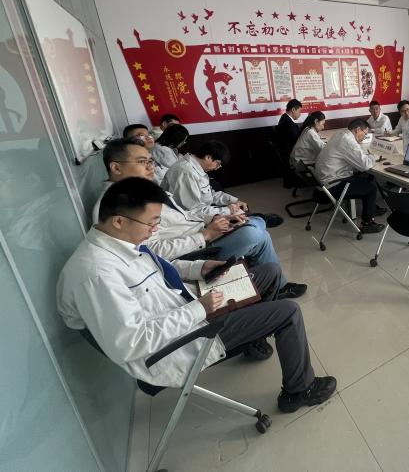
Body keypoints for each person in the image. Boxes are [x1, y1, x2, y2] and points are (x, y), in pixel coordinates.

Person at [58, 177, 335, 412]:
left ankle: (252, 339)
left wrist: (200, 268)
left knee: (270, 271)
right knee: (288, 312)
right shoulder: (96, 274)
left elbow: (160, 267)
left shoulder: (120, 242)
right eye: (151, 223)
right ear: (119, 220)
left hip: (186, 308)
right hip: (179, 342)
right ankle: (299, 390)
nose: (155, 230)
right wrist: (199, 308)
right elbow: (130, 343)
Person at [94, 139, 305, 298]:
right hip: (190, 252)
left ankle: (270, 283)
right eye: (142, 162)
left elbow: (187, 214)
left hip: (198, 233)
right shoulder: (118, 207)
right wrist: (205, 235)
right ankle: (271, 283)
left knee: (254, 228)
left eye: (150, 161)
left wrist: (219, 216)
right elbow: (151, 254)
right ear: (116, 167)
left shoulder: (142, 190)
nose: (151, 167)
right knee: (255, 234)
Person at [314, 119, 386, 234]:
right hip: (332, 184)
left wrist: (364, 156)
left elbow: (354, 155)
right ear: (357, 130)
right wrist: (372, 156)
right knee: (371, 188)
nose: (364, 137)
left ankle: (371, 209)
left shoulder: (341, 134)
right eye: (365, 134)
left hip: (322, 182)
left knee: (367, 176)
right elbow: (365, 164)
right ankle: (367, 223)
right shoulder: (348, 141)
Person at [162, 140, 247, 220]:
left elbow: (209, 195)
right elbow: (194, 211)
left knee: (243, 216)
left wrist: (233, 201)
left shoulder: (196, 168)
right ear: (208, 157)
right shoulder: (186, 173)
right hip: (187, 220)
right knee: (243, 222)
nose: (217, 168)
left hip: (201, 211)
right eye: (218, 164)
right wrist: (227, 210)